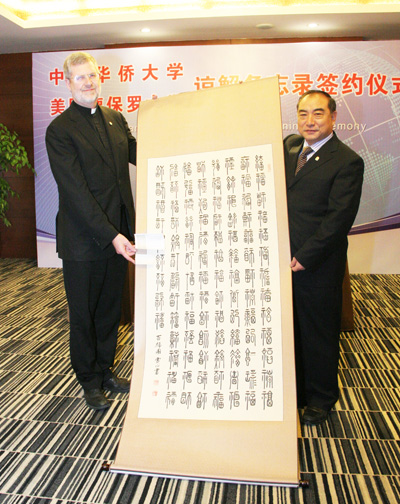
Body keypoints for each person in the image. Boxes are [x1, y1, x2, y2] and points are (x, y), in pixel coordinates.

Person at [46, 52, 137, 411]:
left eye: (92, 75)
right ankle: (88, 379)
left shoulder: (115, 118)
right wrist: (112, 236)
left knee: (110, 310)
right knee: (84, 314)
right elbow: (76, 192)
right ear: (68, 83)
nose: (88, 82)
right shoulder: (60, 130)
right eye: (80, 77)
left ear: (101, 78)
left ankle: (105, 370)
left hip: (119, 236)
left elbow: (142, 153)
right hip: (84, 241)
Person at [284, 90, 364, 425]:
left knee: (318, 332)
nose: (310, 121)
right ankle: (297, 390)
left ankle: (320, 398)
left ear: (333, 117)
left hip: (317, 264)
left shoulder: (347, 161)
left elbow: (338, 220)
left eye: (318, 114)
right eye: (303, 114)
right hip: (282, 259)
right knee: (291, 327)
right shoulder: (290, 148)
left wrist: (306, 256)